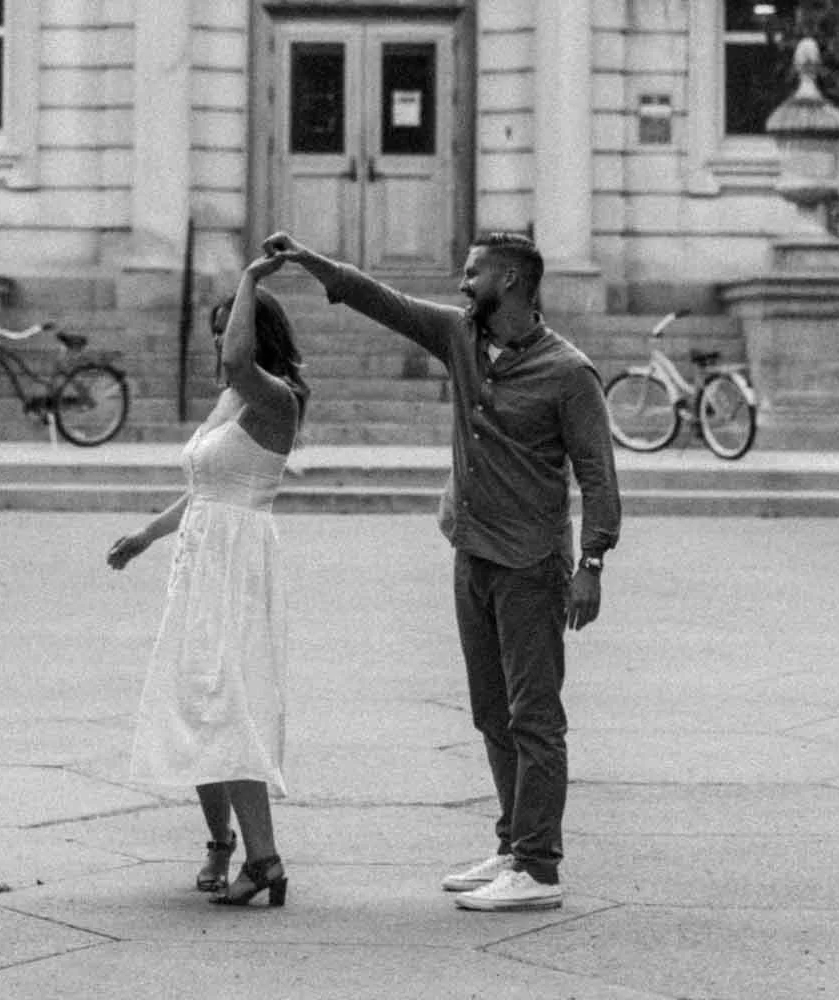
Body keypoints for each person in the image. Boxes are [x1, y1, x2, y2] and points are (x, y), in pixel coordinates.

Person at [262, 227, 620, 913]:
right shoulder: (460, 337)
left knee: (535, 716)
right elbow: (384, 301)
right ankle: (514, 844)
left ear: (510, 281)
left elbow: (598, 475)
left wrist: (593, 561)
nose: (463, 283)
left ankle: (539, 870)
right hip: (473, 552)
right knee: (492, 712)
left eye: (473, 272)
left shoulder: (569, 373)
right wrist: (312, 263)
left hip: (531, 563)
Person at [107, 254, 308, 909]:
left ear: (258, 334)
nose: (221, 342)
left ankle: (266, 858)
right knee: (196, 698)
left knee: (230, 701)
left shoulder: (275, 398)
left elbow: (236, 365)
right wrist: (143, 537)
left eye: (232, 328)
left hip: (239, 565)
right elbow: (203, 488)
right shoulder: (229, 399)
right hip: (200, 560)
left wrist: (249, 277)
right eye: (217, 328)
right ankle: (227, 846)